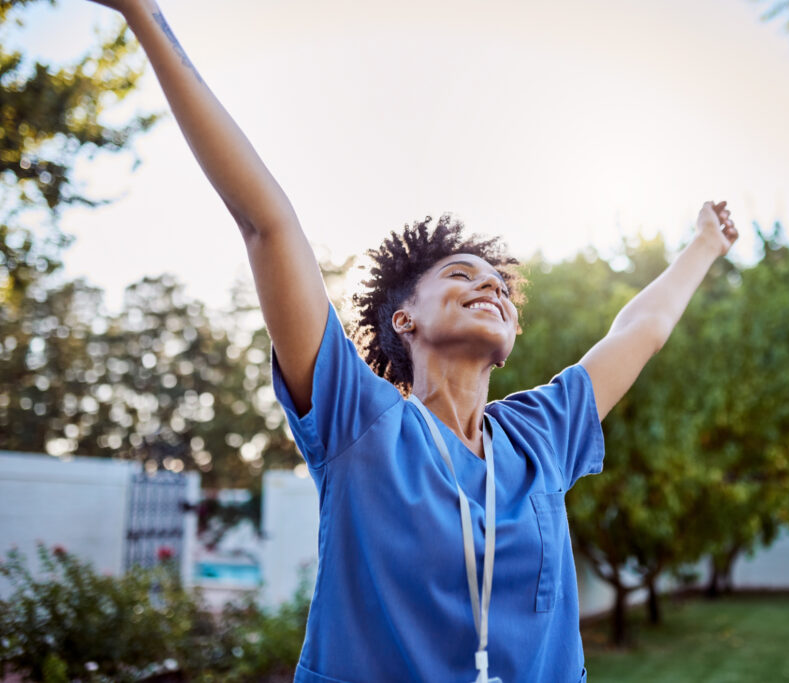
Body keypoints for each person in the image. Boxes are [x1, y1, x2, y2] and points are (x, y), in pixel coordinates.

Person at [85, 1, 739, 681]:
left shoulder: (541, 435)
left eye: (501, 287)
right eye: (461, 275)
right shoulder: (359, 421)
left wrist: (703, 245)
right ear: (405, 319)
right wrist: (144, 15)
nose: (491, 287)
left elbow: (639, 329)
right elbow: (266, 224)